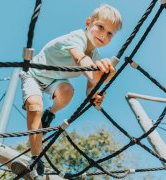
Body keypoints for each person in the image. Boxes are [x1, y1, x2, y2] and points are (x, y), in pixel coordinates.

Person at [18, 4, 122, 177]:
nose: (103, 35)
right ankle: (36, 158)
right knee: (35, 105)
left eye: (110, 33)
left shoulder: (95, 56)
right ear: (88, 23)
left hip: (54, 80)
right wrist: (97, 71)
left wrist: (95, 94)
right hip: (34, 74)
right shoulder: (76, 38)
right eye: (100, 27)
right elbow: (80, 59)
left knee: (67, 91)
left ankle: (50, 114)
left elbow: (91, 86)